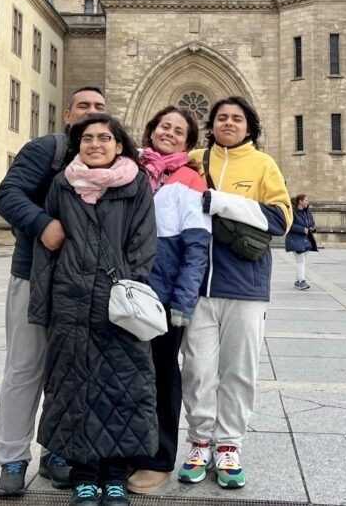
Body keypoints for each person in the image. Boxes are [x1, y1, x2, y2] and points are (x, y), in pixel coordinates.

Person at [28, 114, 157, 506]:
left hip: (118, 308)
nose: (95, 144)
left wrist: (124, 289)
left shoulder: (136, 185)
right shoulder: (62, 186)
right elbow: (46, 249)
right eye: (87, 138)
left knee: (122, 390)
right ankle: (85, 476)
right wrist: (43, 304)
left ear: (119, 146)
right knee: (73, 390)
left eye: (105, 138)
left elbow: (143, 243)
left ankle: (115, 477)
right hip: (70, 304)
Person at [0, 86, 107, 496]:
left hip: (79, 283)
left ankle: (56, 449)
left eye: (99, 108)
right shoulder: (47, 149)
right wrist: (43, 224)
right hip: (32, 275)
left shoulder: (109, 160)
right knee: (24, 368)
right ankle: (12, 458)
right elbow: (6, 194)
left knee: (68, 371)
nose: (91, 112)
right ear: (67, 115)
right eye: (84, 106)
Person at [180, 97, 293, 489]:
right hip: (197, 287)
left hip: (245, 286)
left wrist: (223, 202)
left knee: (239, 371)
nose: (229, 123)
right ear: (211, 124)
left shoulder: (264, 164)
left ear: (249, 126)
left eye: (237, 118)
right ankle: (198, 441)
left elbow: (280, 218)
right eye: (222, 118)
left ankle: (228, 445)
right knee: (196, 370)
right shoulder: (194, 159)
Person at [127, 107, 211, 495]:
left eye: (180, 131)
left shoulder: (190, 179)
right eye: (165, 126)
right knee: (123, 373)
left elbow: (197, 247)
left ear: (189, 142)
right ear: (151, 130)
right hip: (124, 290)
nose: (170, 133)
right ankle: (122, 451)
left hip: (163, 297)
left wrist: (183, 300)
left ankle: (158, 459)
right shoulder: (130, 169)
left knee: (162, 374)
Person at [285, 194, 317, 290]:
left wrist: (313, 227)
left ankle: (298, 280)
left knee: (302, 261)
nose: (308, 202)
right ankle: (301, 281)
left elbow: (312, 222)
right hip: (295, 239)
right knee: (301, 260)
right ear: (300, 201)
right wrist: (302, 229)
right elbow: (289, 225)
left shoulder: (307, 212)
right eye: (306, 200)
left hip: (306, 240)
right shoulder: (292, 212)